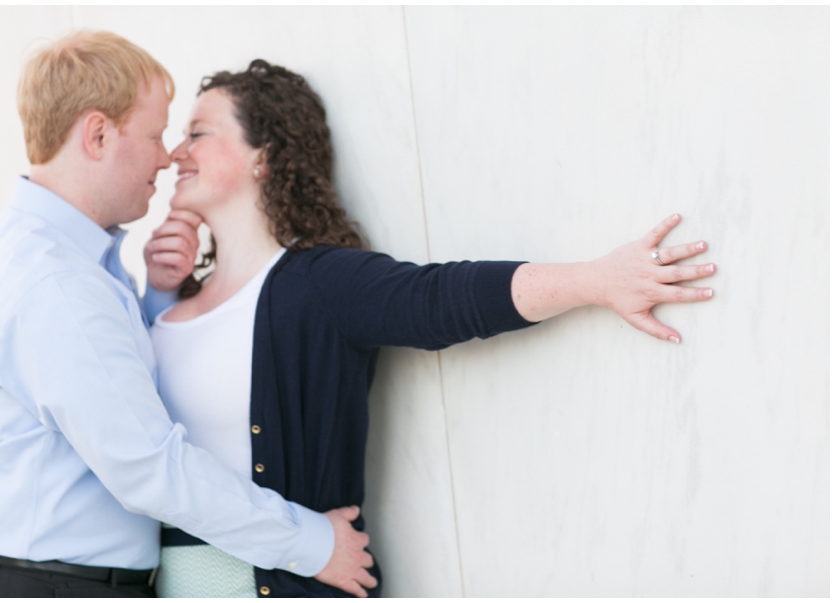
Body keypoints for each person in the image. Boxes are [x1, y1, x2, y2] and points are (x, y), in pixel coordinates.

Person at [143, 59, 717, 597]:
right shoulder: (164, 298)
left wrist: (595, 280)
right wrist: (158, 291)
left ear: (261, 155)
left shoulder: (315, 283)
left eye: (197, 133)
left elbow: (438, 298)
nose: (174, 153)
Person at [0, 32, 376, 598]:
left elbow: (99, 390)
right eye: (154, 134)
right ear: (97, 135)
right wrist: (314, 544)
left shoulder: (70, 254)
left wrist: (155, 302)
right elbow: (150, 470)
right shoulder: (61, 283)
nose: (168, 155)